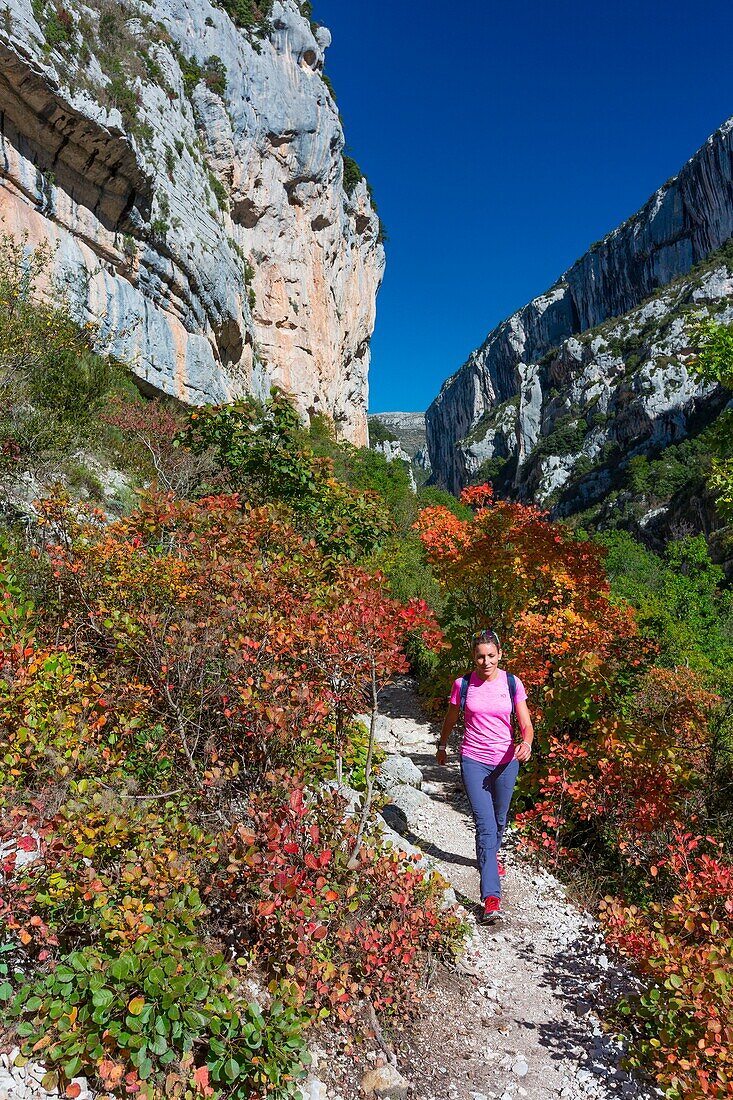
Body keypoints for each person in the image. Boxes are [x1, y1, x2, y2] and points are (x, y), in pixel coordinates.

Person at [436, 628, 533, 922]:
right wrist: (441, 745)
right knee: (486, 824)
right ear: (473, 657)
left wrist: (526, 743)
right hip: (473, 760)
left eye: (491, 656)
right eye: (480, 656)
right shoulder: (463, 685)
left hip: (507, 761)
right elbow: (451, 718)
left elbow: (526, 724)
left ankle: (488, 857)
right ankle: (491, 896)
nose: (486, 662)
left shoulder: (512, 683)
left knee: (500, 818)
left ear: (500, 655)